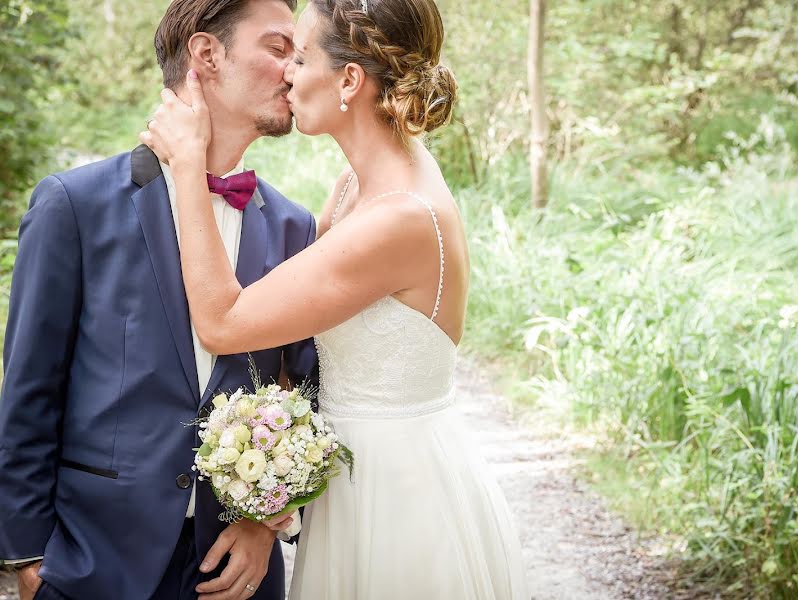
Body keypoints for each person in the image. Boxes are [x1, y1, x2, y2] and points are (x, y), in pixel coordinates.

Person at [141, 0, 529, 597]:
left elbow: (225, 322)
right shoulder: (356, 186)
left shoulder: (399, 216)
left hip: (399, 497)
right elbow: (301, 355)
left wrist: (189, 163)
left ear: (349, 79)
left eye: (299, 56)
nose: (287, 74)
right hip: (353, 481)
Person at [0, 1, 319, 598]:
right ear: (206, 55)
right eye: (279, 49)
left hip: (236, 569)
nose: (295, 72)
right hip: (92, 560)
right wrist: (27, 557)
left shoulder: (292, 227)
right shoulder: (74, 205)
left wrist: (266, 522)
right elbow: (29, 390)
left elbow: (300, 390)